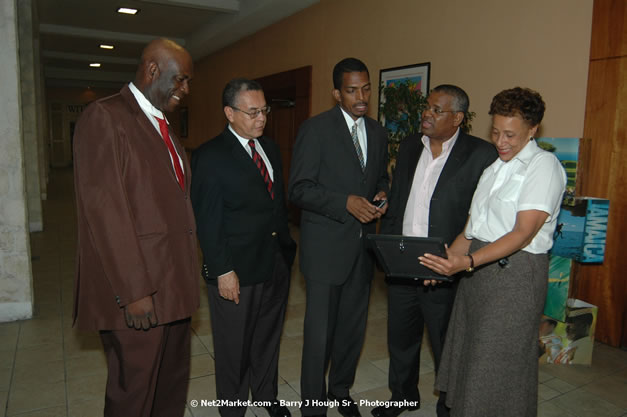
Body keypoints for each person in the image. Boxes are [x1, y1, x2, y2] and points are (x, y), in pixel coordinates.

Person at [420, 87, 567, 416]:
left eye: (510, 135)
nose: (501, 141)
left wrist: (467, 262)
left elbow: (522, 233)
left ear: (532, 130)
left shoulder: (543, 167)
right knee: (472, 360)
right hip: (479, 277)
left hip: (515, 278)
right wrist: (442, 264)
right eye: (496, 132)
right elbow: (471, 231)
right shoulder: (493, 169)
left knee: (497, 367)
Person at [72, 38, 199, 417]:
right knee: (134, 395)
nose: (185, 90)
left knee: (169, 387)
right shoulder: (105, 117)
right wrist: (134, 292)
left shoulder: (162, 123)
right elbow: (106, 212)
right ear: (152, 70)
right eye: (181, 80)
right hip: (139, 290)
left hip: (173, 286)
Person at [375, 85, 497, 417]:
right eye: (426, 108)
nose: (426, 114)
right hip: (403, 259)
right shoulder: (412, 144)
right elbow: (398, 198)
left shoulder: (481, 154)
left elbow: (481, 216)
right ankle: (402, 396)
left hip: (445, 264)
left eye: (436, 110)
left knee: (446, 342)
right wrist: (387, 249)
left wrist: (455, 258)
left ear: (457, 118)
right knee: (400, 335)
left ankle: (449, 404)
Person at [288, 57, 389, 417]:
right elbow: (298, 189)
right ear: (336, 93)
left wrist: (382, 194)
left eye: (365, 89)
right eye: (351, 90)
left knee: (351, 330)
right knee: (319, 335)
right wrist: (343, 202)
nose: (361, 96)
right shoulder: (315, 130)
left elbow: (379, 179)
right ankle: (313, 405)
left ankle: (340, 390)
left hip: (361, 251)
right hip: (325, 250)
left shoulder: (377, 132)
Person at [191, 78, 296, 417]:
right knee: (233, 347)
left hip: (275, 263)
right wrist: (222, 270)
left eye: (264, 110)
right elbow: (207, 221)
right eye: (252, 112)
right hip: (236, 269)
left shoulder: (271, 148)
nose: (261, 118)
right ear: (229, 113)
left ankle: (267, 397)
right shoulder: (210, 155)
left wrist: (286, 251)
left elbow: (275, 205)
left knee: (267, 338)